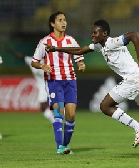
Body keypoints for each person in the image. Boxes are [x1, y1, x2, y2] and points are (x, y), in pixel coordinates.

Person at [45, 19, 139, 159]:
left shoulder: (111, 42)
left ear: (104, 34)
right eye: (92, 32)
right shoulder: (99, 46)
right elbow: (79, 50)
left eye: (95, 32)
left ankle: (138, 128)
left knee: (105, 106)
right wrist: (56, 48)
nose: (92, 34)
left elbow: (133, 35)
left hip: (134, 79)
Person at [31, 11, 86, 154]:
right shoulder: (45, 42)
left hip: (70, 80)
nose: (64, 23)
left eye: (65, 20)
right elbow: (34, 62)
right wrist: (42, 66)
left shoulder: (71, 40)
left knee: (71, 115)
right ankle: (59, 146)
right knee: (59, 111)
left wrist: (81, 64)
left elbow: (79, 56)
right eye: (60, 20)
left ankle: (66, 145)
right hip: (54, 80)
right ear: (52, 24)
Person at [2, 46, 54, 123]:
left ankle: (60, 121)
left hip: (52, 85)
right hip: (42, 87)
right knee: (43, 107)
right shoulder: (31, 61)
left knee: (56, 105)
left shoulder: (48, 62)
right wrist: (10, 50)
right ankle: (54, 120)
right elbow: (20, 56)